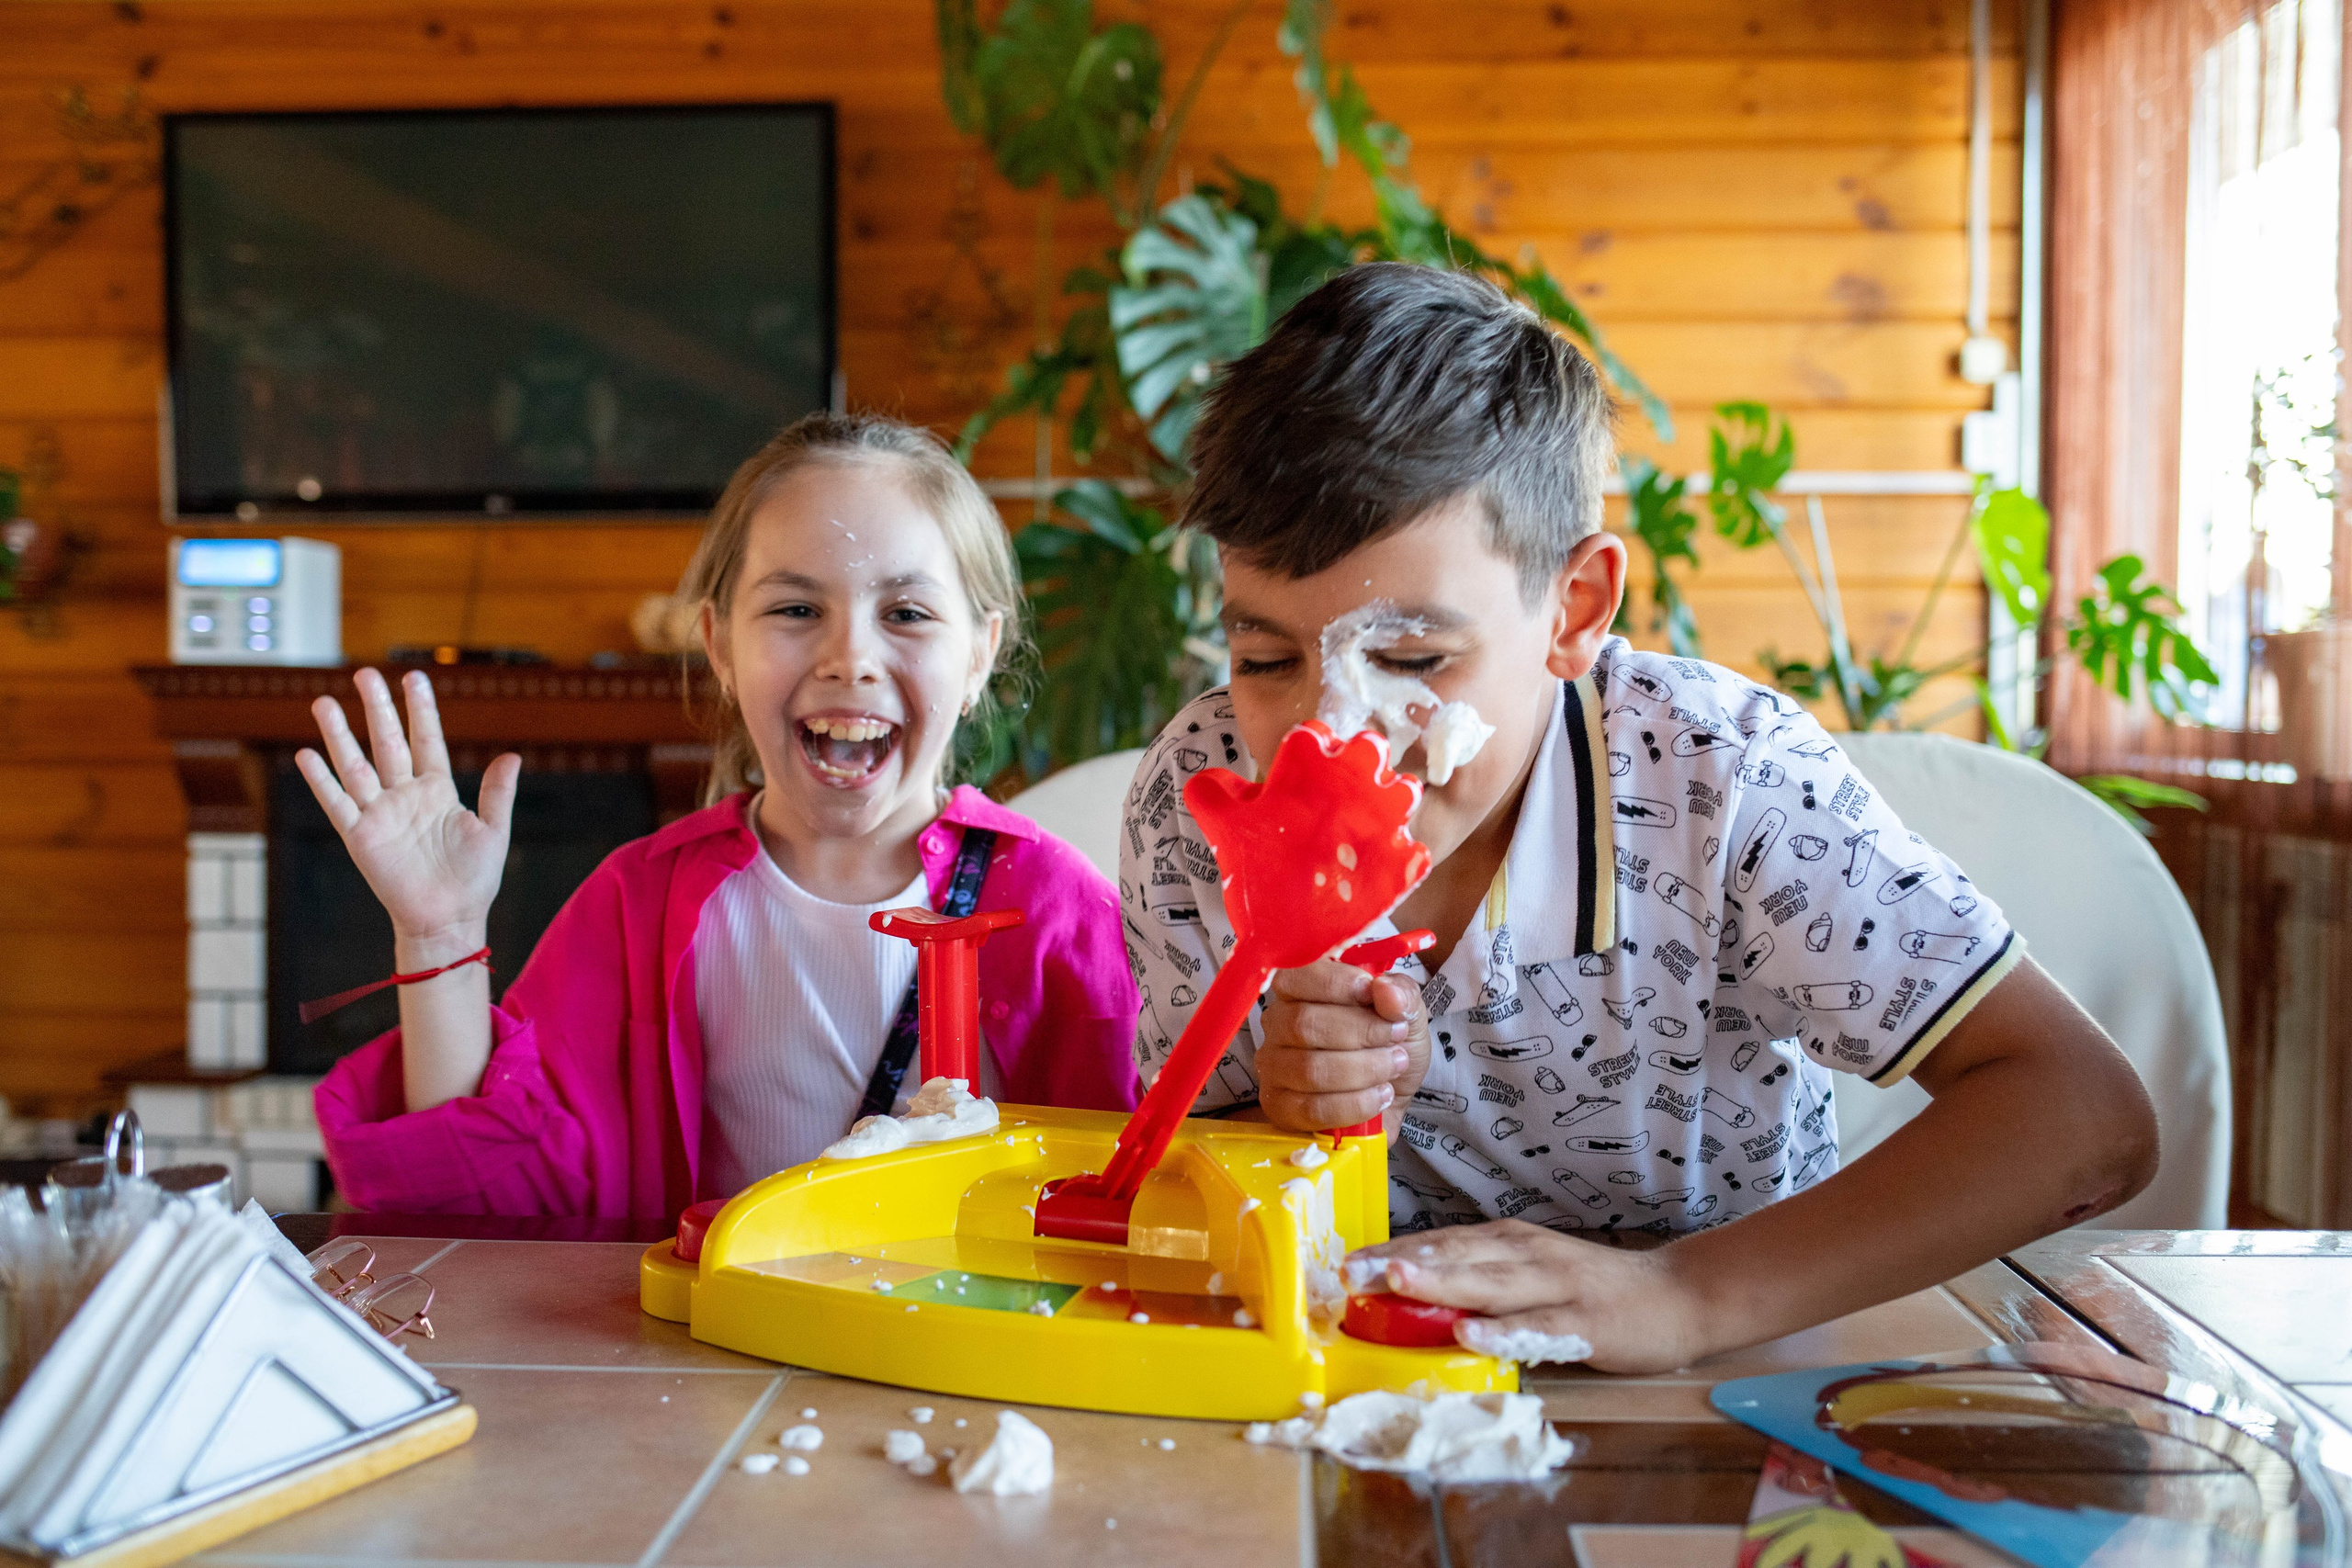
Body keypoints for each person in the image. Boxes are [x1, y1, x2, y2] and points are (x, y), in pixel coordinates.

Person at [1121, 263, 2158, 1374]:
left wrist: (1683, 1297)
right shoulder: (1201, 800)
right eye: (1265, 657)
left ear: (1574, 610)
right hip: (1366, 1380)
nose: (1336, 732)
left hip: (1742, 1371)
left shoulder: (1720, 779)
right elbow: (1173, 1185)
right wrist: (1284, 1119)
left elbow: (2087, 1119)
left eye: (1415, 658)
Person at [307, 413, 1138, 1217]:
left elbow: (1139, 1195)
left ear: (980, 655)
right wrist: (440, 937)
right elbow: (483, 1197)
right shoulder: (639, 901)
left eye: (907, 613)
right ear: (720, 648)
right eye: (796, 610)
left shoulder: (1061, 908)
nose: (850, 657)